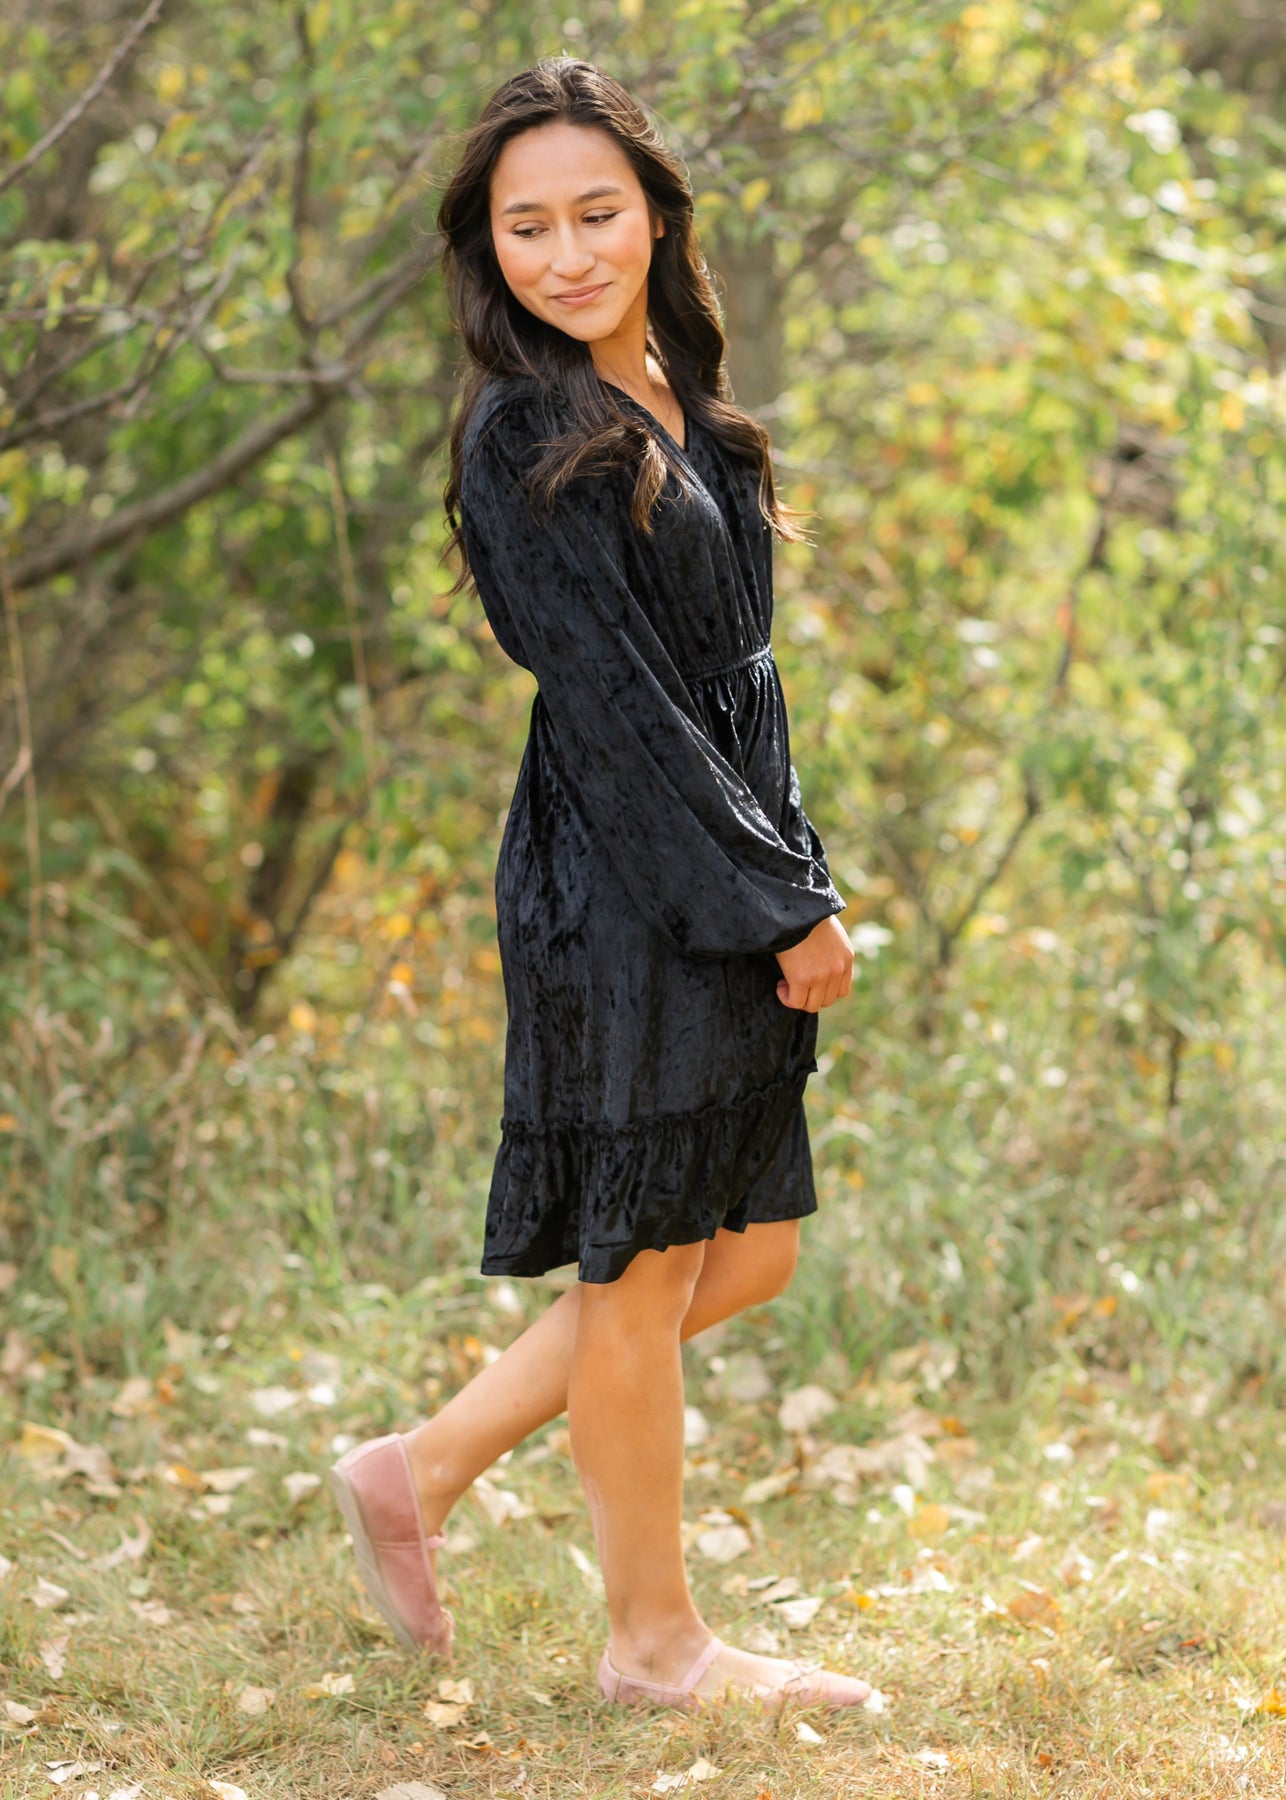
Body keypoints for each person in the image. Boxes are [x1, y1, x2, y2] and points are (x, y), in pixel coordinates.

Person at [328, 57, 881, 1715]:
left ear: (653, 215)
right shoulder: (526, 431)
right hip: (626, 880)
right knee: (637, 1274)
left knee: (749, 1250)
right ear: (485, 247)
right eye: (527, 228)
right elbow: (619, 710)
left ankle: (420, 1467)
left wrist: (793, 867)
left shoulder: (666, 393)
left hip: (708, 846)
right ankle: (655, 1647)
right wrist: (774, 902)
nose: (565, 254)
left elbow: (729, 687)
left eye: (594, 214)